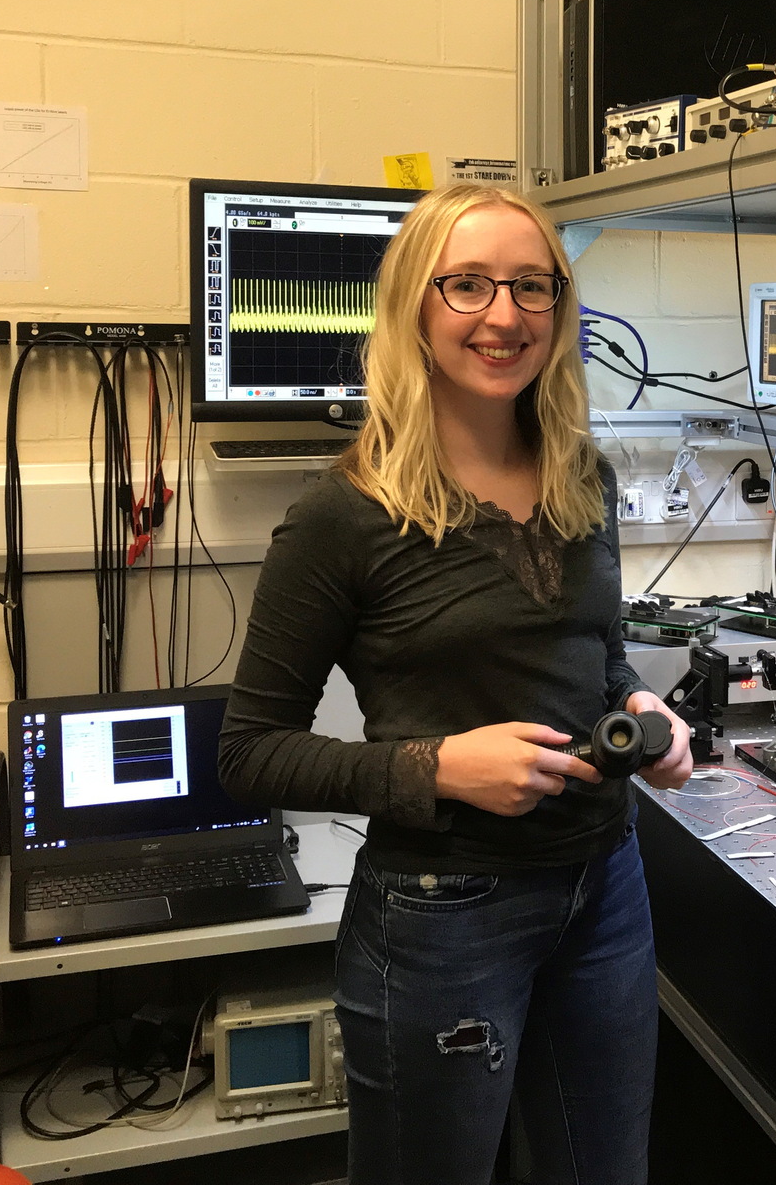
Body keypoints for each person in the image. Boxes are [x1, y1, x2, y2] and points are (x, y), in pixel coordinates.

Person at [218, 182, 692, 1185]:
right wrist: (435, 767)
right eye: (467, 285)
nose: (504, 315)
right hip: (443, 913)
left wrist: (641, 710)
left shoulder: (583, 478)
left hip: (604, 888)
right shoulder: (342, 518)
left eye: (531, 286)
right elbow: (248, 752)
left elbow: (596, 661)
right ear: (415, 309)